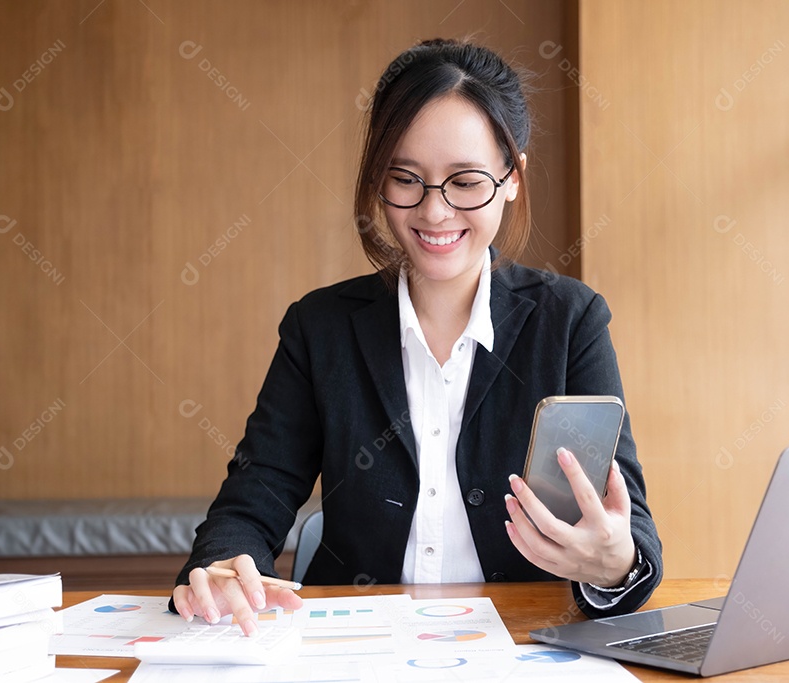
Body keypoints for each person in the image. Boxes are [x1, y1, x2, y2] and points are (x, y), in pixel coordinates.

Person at [171, 38, 663, 636]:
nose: (434, 212)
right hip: (358, 646)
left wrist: (615, 564)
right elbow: (255, 496)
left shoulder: (570, 320)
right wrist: (224, 563)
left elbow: (629, 533)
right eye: (406, 178)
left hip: (522, 642)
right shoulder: (320, 327)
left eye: (466, 181)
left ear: (513, 176)